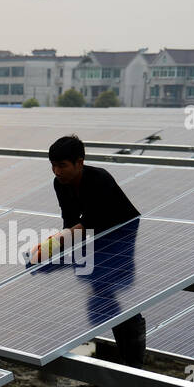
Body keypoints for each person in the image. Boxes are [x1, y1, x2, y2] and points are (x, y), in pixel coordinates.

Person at [31, 134, 144, 366]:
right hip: (100, 238)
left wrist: (52, 245)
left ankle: (133, 360)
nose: (56, 171)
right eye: (53, 166)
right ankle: (110, 352)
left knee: (118, 294)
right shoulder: (60, 184)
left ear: (79, 163)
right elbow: (70, 220)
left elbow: (91, 221)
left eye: (62, 166)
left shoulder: (98, 179)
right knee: (97, 289)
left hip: (126, 236)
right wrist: (52, 253)